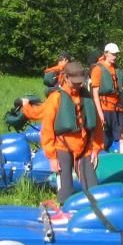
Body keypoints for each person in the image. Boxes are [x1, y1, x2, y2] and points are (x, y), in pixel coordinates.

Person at [40, 61, 104, 203]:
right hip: (63, 147)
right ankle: (64, 212)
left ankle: (94, 215)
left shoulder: (86, 97)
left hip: (85, 148)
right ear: (66, 78)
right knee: (66, 190)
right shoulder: (56, 98)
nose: (78, 85)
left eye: (80, 82)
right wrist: (52, 157)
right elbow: (47, 130)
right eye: (74, 82)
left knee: (93, 187)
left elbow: (97, 125)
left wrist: (96, 148)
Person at [91, 42, 123, 150]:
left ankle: (122, 160)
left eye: (116, 54)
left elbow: (120, 92)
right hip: (105, 109)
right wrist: (100, 114)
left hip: (117, 109)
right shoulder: (98, 69)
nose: (115, 57)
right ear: (106, 53)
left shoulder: (117, 70)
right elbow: (95, 93)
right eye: (113, 54)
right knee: (104, 139)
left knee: (122, 136)